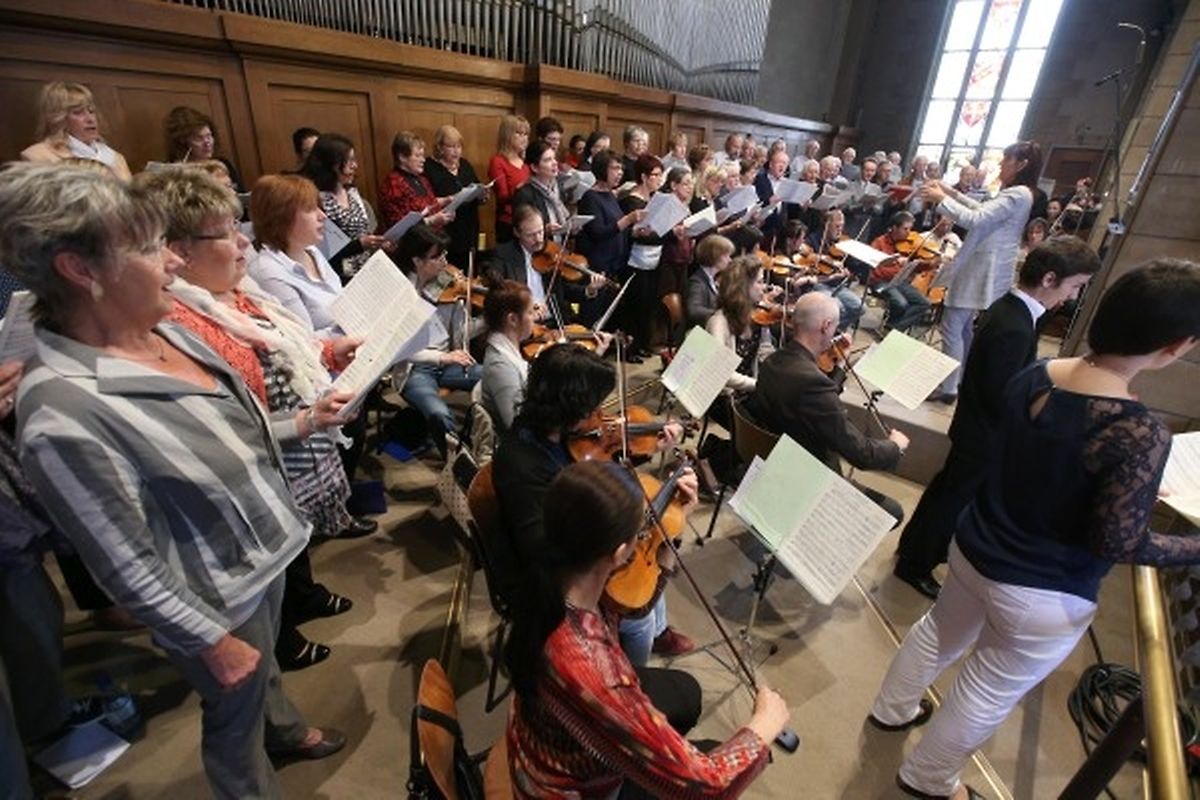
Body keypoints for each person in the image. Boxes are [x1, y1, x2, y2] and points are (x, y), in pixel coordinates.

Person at [0, 162, 346, 799]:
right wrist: (208, 641)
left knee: (263, 678)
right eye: (149, 246)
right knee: (234, 721)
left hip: (259, 555)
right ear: (80, 270)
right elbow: (124, 564)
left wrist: (301, 422)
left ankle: (281, 729)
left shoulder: (161, 326)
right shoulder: (61, 412)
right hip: (215, 596)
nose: (175, 261)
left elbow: (230, 429)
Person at [870, 260, 1200, 800]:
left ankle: (891, 711)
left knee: (937, 632)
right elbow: (1117, 541)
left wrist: (1123, 491)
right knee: (985, 687)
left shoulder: (1039, 373)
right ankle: (928, 781)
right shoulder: (1138, 431)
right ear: (1175, 346)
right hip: (1040, 586)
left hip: (976, 545)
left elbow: (1043, 457)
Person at [142, 167, 372, 673]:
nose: (244, 241)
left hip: (286, 450)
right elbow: (233, 422)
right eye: (228, 232)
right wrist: (305, 421)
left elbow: (284, 349)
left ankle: (301, 599)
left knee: (294, 540)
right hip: (257, 467)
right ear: (179, 251)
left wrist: (327, 352)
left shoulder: (235, 293)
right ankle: (284, 637)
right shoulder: (182, 321)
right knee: (266, 581)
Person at [504, 459, 790, 799]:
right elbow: (707, 787)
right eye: (640, 531)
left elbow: (637, 606)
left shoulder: (555, 574)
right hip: (568, 787)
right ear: (619, 552)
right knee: (712, 752)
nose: (645, 535)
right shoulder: (596, 669)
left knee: (685, 692)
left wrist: (672, 528)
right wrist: (763, 727)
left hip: (548, 735)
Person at [892, 237, 1100, 599]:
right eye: (1075, 286)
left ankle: (917, 549)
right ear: (1049, 279)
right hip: (983, 434)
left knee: (947, 493)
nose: (1073, 296)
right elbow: (1001, 393)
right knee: (952, 499)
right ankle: (915, 563)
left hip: (978, 428)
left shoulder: (1013, 310)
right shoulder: (1014, 325)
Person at [491, 344, 695, 665]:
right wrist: (619, 537)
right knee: (638, 616)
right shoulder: (522, 461)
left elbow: (598, 460)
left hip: (573, 537)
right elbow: (540, 546)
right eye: (592, 407)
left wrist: (647, 448)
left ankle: (659, 629)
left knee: (647, 570)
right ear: (568, 407)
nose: (599, 416)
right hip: (546, 573)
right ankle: (635, 673)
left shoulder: (558, 434)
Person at [747, 293, 909, 526]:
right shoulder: (813, 384)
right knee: (893, 512)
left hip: (776, 465)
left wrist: (839, 365)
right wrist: (895, 446)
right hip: (809, 479)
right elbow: (862, 454)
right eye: (835, 327)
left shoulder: (773, 361)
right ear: (825, 326)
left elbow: (816, 397)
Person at [924, 141, 1041, 401]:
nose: (1001, 164)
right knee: (964, 327)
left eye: (1006, 160)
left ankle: (948, 388)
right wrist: (952, 194)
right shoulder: (1019, 193)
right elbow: (982, 209)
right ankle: (959, 380)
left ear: (1022, 164)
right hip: (985, 265)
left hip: (982, 267)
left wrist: (941, 199)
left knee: (952, 326)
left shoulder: (1018, 194)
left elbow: (976, 219)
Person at [394, 223, 483, 456]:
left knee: (492, 374)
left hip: (449, 363)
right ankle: (456, 461)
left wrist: (491, 318)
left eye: (444, 254)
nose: (445, 262)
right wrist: (442, 358)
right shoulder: (401, 293)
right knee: (438, 413)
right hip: (415, 369)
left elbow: (463, 333)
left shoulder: (448, 286)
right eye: (436, 257)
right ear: (417, 261)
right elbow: (399, 349)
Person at [248, 174, 345, 337]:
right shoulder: (268, 272)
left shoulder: (311, 250)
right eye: (310, 209)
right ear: (281, 217)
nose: (323, 216)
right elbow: (305, 340)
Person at [303, 133, 389, 278]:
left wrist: (377, 242)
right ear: (331, 164)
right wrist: (360, 244)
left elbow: (364, 232)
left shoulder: (352, 193)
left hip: (368, 270)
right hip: (339, 276)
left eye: (354, 160)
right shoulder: (317, 199)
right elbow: (323, 252)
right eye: (348, 161)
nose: (354, 166)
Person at [576, 149, 645, 328]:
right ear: (601, 170)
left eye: (621, 168)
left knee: (610, 320)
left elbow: (618, 229)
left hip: (614, 267)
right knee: (593, 319)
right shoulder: (590, 197)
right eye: (614, 168)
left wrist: (634, 232)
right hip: (598, 268)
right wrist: (628, 220)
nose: (620, 173)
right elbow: (598, 232)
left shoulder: (610, 195)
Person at [21, 81, 132, 181]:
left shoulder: (115, 157)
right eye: (78, 112)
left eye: (91, 111)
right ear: (59, 118)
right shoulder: (37, 156)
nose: (90, 119)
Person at [619, 154, 667, 358]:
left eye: (661, 175)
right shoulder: (632, 200)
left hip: (654, 258)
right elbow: (631, 233)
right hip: (635, 260)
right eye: (655, 175)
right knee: (635, 303)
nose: (659, 179)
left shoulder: (654, 199)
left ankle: (643, 344)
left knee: (648, 304)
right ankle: (631, 347)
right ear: (643, 177)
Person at [706, 255, 775, 395]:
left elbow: (764, 351)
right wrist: (759, 385)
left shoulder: (759, 315)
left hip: (750, 391)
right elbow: (721, 374)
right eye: (760, 282)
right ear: (743, 286)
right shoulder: (718, 323)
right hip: (727, 398)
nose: (765, 288)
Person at [425, 124, 486, 267]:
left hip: (469, 228)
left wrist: (482, 195)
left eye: (459, 146)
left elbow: (476, 186)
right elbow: (428, 200)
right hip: (447, 229)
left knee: (469, 268)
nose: (456, 151)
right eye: (451, 146)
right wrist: (449, 199)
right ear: (440, 147)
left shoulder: (465, 165)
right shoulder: (429, 167)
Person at [480, 280, 535, 432]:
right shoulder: (500, 366)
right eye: (530, 312)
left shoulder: (508, 350)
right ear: (512, 319)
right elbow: (517, 426)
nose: (535, 318)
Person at [868, 211, 937, 333]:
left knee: (924, 303)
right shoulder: (879, 243)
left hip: (899, 282)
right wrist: (897, 265)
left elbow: (916, 268)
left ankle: (893, 328)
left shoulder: (907, 246)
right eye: (905, 229)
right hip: (881, 282)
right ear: (894, 228)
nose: (909, 233)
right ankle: (891, 329)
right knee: (901, 303)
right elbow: (875, 271)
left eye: (910, 229)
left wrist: (929, 264)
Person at [378, 131, 453, 230]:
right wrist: (431, 220)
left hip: (433, 236)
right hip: (411, 239)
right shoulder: (392, 184)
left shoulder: (421, 179)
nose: (423, 160)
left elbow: (429, 203)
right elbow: (398, 226)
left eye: (422, 155)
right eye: (418, 156)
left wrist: (445, 208)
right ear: (402, 157)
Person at [164, 105, 243, 190]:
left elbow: (241, 192)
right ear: (183, 142)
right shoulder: (174, 172)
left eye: (209, 136)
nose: (207, 143)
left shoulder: (224, 164)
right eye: (199, 138)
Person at [512, 139, 569, 238]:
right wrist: (544, 229)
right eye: (547, 160)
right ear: (534, 167)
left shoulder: (558, 186)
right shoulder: (524, 194)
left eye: (554, 158)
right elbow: (522, 230)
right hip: (539, 244)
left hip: (561, 243)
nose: (555, 163)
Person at [488, 114, 532, 243]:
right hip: (508, 222)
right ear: (507, 135)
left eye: (526, 134)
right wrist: (520, 188)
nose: (524, 138)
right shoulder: (498, 161)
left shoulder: (525, 163)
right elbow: (502, 197)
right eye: (519, 133)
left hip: (528, 219)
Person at [659, 167, 696, 299]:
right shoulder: (666, 204)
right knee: (669, 300)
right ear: (674, 185)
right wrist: (675, 231)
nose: (690, 187)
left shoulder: (685, 204)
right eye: (686, 184)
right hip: (669, 259)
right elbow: (659, 232)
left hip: (683, 258)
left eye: (691, 184)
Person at [686, 233, 734, 328]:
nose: (730, 260)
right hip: (699, 333)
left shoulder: (712, 279)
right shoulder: (697, 282)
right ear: (715, 256)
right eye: (726, 256)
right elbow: (694, 310)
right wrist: (721, 315)